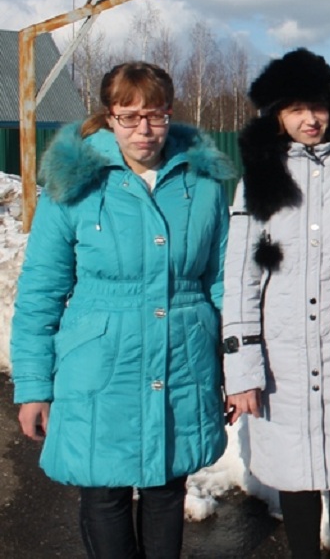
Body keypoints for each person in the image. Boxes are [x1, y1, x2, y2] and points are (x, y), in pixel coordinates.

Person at [11, 62, 233, 558]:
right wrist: (32, 385)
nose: (143, 130)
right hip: (100, 364)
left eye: (154, 115)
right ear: (109, 118)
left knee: (165, 488)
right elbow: (41, 292)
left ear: (170, 115)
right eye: (129, 116)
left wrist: (235, 369)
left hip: (182, 359)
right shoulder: (75, 184)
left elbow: (222, 283)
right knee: (104, 488)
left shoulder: (203, 185)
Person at [221, 48, 330, 558]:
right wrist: (242, 366)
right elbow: (240, 277)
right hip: (282, 358)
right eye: (295, 109)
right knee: (297, 477)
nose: (309, 119)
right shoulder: (260, 178)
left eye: (317, 106)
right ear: (277, 115)